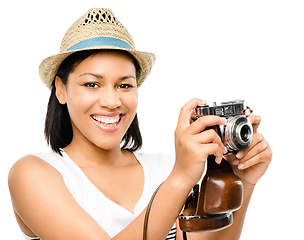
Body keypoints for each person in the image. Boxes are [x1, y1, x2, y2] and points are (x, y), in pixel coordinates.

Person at [8, 8, 272, 240]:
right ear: (61, 90)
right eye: (92, 84)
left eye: (124, 85)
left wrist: (241, 181)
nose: (112, 101)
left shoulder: (167, 168)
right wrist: (180, 179)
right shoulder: (33, 174)